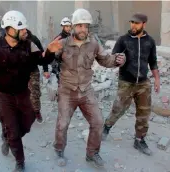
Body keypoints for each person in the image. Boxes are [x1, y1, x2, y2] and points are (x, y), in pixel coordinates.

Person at [0, 10, 62, 172]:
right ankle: (20, 161)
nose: (25, 31)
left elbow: (42, 60)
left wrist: (50, 51)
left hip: (22, 92)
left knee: (27, 122)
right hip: (2, 93)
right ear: (10, 29)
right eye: (22, 29)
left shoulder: (29, 44)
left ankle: (7, 137)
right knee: (12, 127)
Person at [53, 9, 126, 168]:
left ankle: (92, 153)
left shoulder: (94, 43)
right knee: (63, 124)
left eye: (86, 26)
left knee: (98, 122)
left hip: (86, 91)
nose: (83, 29)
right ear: (72, 27)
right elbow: (49, 59)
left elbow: (105, 60)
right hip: (67, 91)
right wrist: (50, 53)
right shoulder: (63, 43)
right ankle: (59, 149)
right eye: (79, 26)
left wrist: (117, 60)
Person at [102, 13, 160, 156]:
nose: (133, 25)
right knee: (118, 109)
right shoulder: (123, 40)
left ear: (144, 24)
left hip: (143, 83)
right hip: (126, 82)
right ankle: (106, 127)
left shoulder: (150, 42)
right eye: (132, 22)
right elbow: (112, 58)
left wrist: (157, 79)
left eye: (137, 23)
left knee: (144, 113)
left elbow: (153, 62)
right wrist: (117, 60)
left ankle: (139, 140)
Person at [26, 29, 50, 123]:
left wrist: (45, 69)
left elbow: (42, 54)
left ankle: (36, 111)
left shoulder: (33, 39)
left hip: (32, 70)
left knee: (35, 93)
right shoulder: (13, 40)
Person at [51, 17, 72, 81]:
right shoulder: (59, 38)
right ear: (63, 27)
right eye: (66, 26)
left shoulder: (71, 38)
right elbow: (54, 53)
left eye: (69, 26)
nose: (68, 28)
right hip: (60, 65)